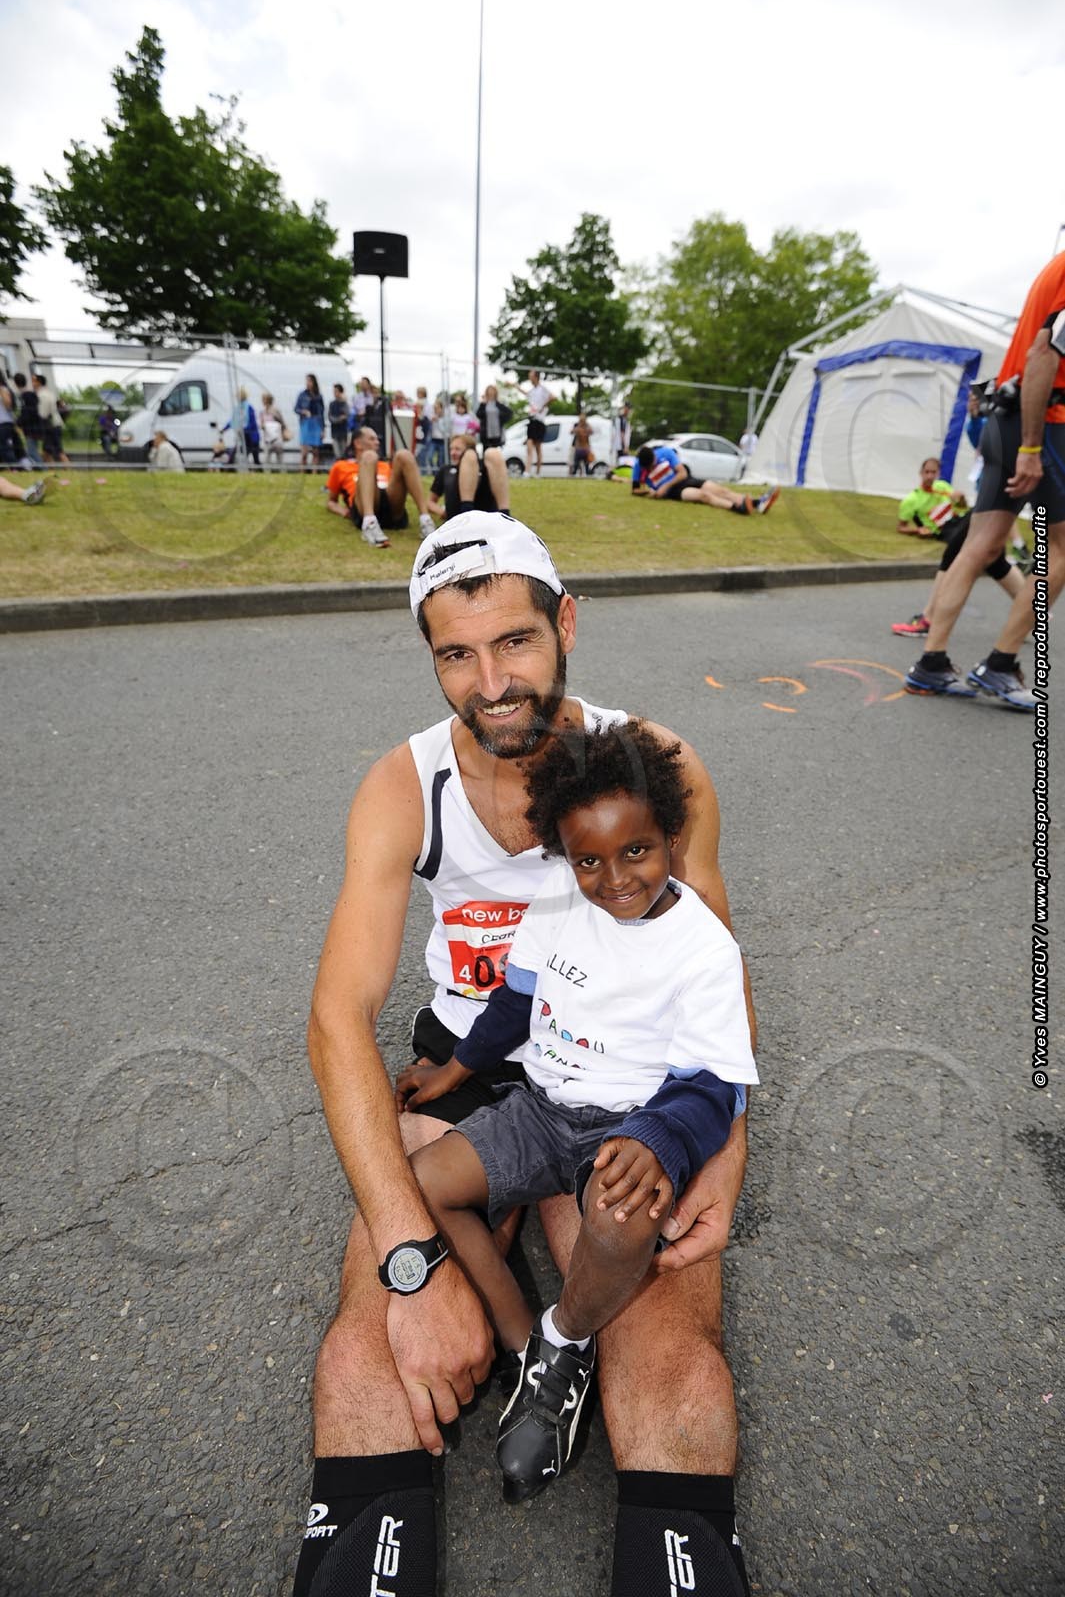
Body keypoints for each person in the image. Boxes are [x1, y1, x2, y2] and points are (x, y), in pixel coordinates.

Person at [293, 513, 757, 1597]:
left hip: (626, 1074)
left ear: (568, 624)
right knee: (374, 1332)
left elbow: (716, 965)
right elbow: (336, 1016)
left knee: (666, 1340)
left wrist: (723, 1150)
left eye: (515, 641)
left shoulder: (657, 767)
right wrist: (411, 1263)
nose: (491, 683)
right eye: (456, 654)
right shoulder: (404, 785)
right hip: (479, 1043)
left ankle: (610, 1433)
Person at [396, 720, 758, 1506]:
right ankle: (529, 1345)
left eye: (636, 851)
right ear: (563, 854)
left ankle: (566, 1336)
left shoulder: (703, 949)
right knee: (422, 1182)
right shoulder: (558, 901)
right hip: (541, 1107)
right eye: (587, 859)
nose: (614, 878)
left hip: (628, 1125)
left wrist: (660, 1137)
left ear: (671, 836)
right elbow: (515, 1002)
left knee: (623, 1221)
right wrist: (454, 1067)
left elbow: (715, 1087)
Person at [905, 251, 1065, 709]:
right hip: (1043, 421)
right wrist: (1031, 448)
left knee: (982, 544)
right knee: (1062, 549)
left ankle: (931, 663)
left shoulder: (1057, 266)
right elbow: (1043, 354)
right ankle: (1000, 663)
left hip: (1006, 412)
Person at [890, 511, 1025, 635]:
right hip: (991, 506)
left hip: (991, 507)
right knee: (996, 563)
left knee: (954, 553)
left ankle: (930, 618)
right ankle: (1030, 614)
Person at [324, 425, 436, 547]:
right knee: (369, 456)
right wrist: (343, 512)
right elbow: (331, 501)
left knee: (404, 454)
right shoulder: (341, 466)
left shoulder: (384, 465)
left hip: (388, 502)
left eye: (377, 439)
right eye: (372, 439)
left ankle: (426, 520)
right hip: (362, 505)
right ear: (357, 443)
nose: (377, 442)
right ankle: (369, 523)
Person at [632, 444, 779, 515]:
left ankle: (758, 503)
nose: (652, 468)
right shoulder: (638, 466)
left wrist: (665, 486)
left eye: (653, 465)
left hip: (684, 481)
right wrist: (650, 492)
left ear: (655, 456)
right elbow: (635, 490)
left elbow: (682, 473)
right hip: (674, 492)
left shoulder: (666, 452)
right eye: (649, 468)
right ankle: (738, 508)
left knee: (721, 490)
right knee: (704, 496)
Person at [428, 433, 510, 522]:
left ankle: (505, 517)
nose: (452, 453)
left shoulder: (483, 467)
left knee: (493, 453)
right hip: (458, 518)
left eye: (457, 449)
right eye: (451, 449)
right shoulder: (446, 470)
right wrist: (442, 512)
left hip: (486, 516)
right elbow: (430, 502)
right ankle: (466, 513)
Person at [896, 457, 967, 537]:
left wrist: (962, 499)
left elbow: (962, 506)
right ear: (921, 473)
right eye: (927, 472)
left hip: (958, 522)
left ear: (938, 473)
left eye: (933, 472)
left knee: (974, 514)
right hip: (943, 531)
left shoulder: (943, 486)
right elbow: (901, 527)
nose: (929, 476)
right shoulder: (911, 499)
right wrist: (918, 530)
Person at [522, 369, 554, 475]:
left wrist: (542, 407)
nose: (529, 378)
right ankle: (527, 471)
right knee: (529, 445)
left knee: (538, 448)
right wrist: (515, 386)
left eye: (530, 376)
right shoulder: (532, 391)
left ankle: (538, 472)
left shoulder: (542, 389)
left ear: (535, 377)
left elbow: (553, 397)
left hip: (539, 421)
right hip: (532, 420)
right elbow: (526, 393)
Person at [33, 375, 69, 465]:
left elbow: (43, 413)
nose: (32, 383)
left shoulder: (42, 395)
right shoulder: (49, 393)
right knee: (47, 451)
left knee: (58, 450)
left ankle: (68, 468)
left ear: (39, 382)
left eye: (33, 381)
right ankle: (52, 469)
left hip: (51, 425)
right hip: (54, 424)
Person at [295, 374, 324, 472]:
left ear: (314, 382)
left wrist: (323, 429)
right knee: (304, 452)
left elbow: (322, 413)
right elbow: (296, 409)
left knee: (316, 451)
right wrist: (303, 411)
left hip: (316, 423)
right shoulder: (302, 395)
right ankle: (302, 471)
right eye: (307, 381)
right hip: (305, 423)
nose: (308, 383)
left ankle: (314, 473)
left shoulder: (319, 396)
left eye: (310, 381)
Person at [12, 374, 43, 467]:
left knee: (32, 451)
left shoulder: (26, 395)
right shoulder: (29, 394)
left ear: (15, 383)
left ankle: (42, 468)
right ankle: (40, 468)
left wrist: (18, 422)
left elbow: (27, 413)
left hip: (31, 428)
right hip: (34, 427)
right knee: (32, 450)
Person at [476, 384, 513, 450]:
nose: (491, 392)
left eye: (492, 390)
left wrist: (501, 421)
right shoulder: (484, 404)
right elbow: (478, 414)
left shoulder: (499, 405)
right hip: (486, 433)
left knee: (496, 452)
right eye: (489, 391)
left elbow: (509, 413)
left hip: (497, 433)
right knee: (486, 452)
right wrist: (483, 404)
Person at [231, 386, 260, 468]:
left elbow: (252, 423)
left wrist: (243, 429)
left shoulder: (249, 408)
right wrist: (224, 429)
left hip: (252, 436)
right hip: (244, 436)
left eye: (238, 396)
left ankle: (258, 471)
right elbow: (232, 420)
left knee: (255, 458)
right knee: (244, 454)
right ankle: (245, 470)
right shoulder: (238, 408)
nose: (237, 398)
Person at [260, 393, 287, 471]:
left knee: (280, 459)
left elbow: (282, 423)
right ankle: (267, 473)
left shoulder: (275, 411)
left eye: (264, 399)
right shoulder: (262, 412)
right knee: (266, 459)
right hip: (267, 439)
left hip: (277, 439)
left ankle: (282, 473)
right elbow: (261, 424)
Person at [327, 384, 350, 461]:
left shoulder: (344, 404)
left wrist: (343, 401)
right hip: (335, 431)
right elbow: (330, 417)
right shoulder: (332, 404)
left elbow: (346, 415)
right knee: (337, 453)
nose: (335, 393)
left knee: (343, 452)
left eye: (336, 391)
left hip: (343, 431)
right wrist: (338, 419)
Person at [569, 411, 594, 476]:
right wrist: (579, 426)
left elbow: (591, 432)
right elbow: (571, 432)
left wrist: (585, 428)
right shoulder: (577, 426)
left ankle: (585, 474)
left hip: (585, 448)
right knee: (576, 464)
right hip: (579, 448)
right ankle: (574, 474)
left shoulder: (587, 426)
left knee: (586, 465)